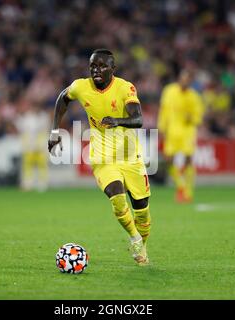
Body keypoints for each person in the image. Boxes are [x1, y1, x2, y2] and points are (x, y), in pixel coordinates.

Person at [48, 49, 151, 265]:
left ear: (113, 70)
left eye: (102, 66)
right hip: (102, 156)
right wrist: (55, 131)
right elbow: (63, 98)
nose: (96, 69)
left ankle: (143, 244)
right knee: (117, 198)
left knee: (141, 210)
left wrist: (117, 120)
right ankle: (134, 238)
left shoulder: (125, 88)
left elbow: (138, 119)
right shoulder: (80, 86)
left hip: (129, 156)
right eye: (93, 65)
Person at [158, 70, 204, 203]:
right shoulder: (169, 91)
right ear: (179, 79)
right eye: (182, 79)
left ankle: (188, 192)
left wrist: (193, 118)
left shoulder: (194, 97)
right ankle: (182, 186)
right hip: (172, 132)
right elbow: (164, 110)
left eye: (187, 80)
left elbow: (198, 116)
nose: (184, 82)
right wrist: (162, 127)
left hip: (187, 133)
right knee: (168, 160)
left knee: (188, 159)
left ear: (190, 82)